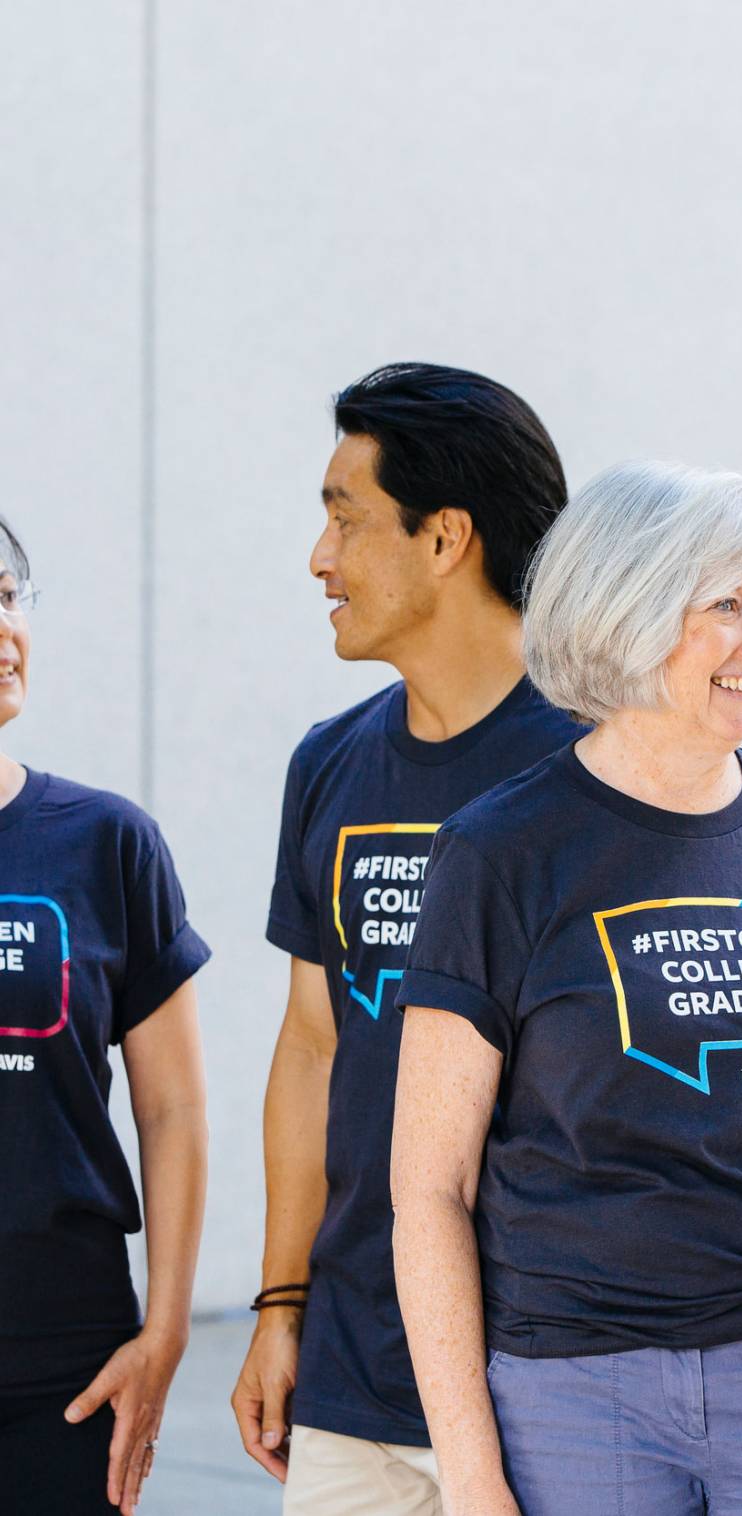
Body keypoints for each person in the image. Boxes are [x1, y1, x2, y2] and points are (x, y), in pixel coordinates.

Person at [390, 461, 742, 1516]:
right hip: (577, 1388)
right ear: (625, 614)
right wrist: (471, 1473)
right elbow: (429, 1189)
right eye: (723, 606)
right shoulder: (501, 852)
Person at [230, 363, 579, 1515]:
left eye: (344, 517)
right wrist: (282, 1307)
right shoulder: (330, 764)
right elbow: (313, 1044)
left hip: (547, 1371)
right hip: (355, 1376)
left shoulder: (599, 765)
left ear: (446, 540)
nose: (318, 559)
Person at [0, 516, 210, 1516]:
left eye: (8, 598)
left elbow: (171, 1111)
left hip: (68, 1356)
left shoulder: (107, 842)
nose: (5, 629)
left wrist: (165, 1328)